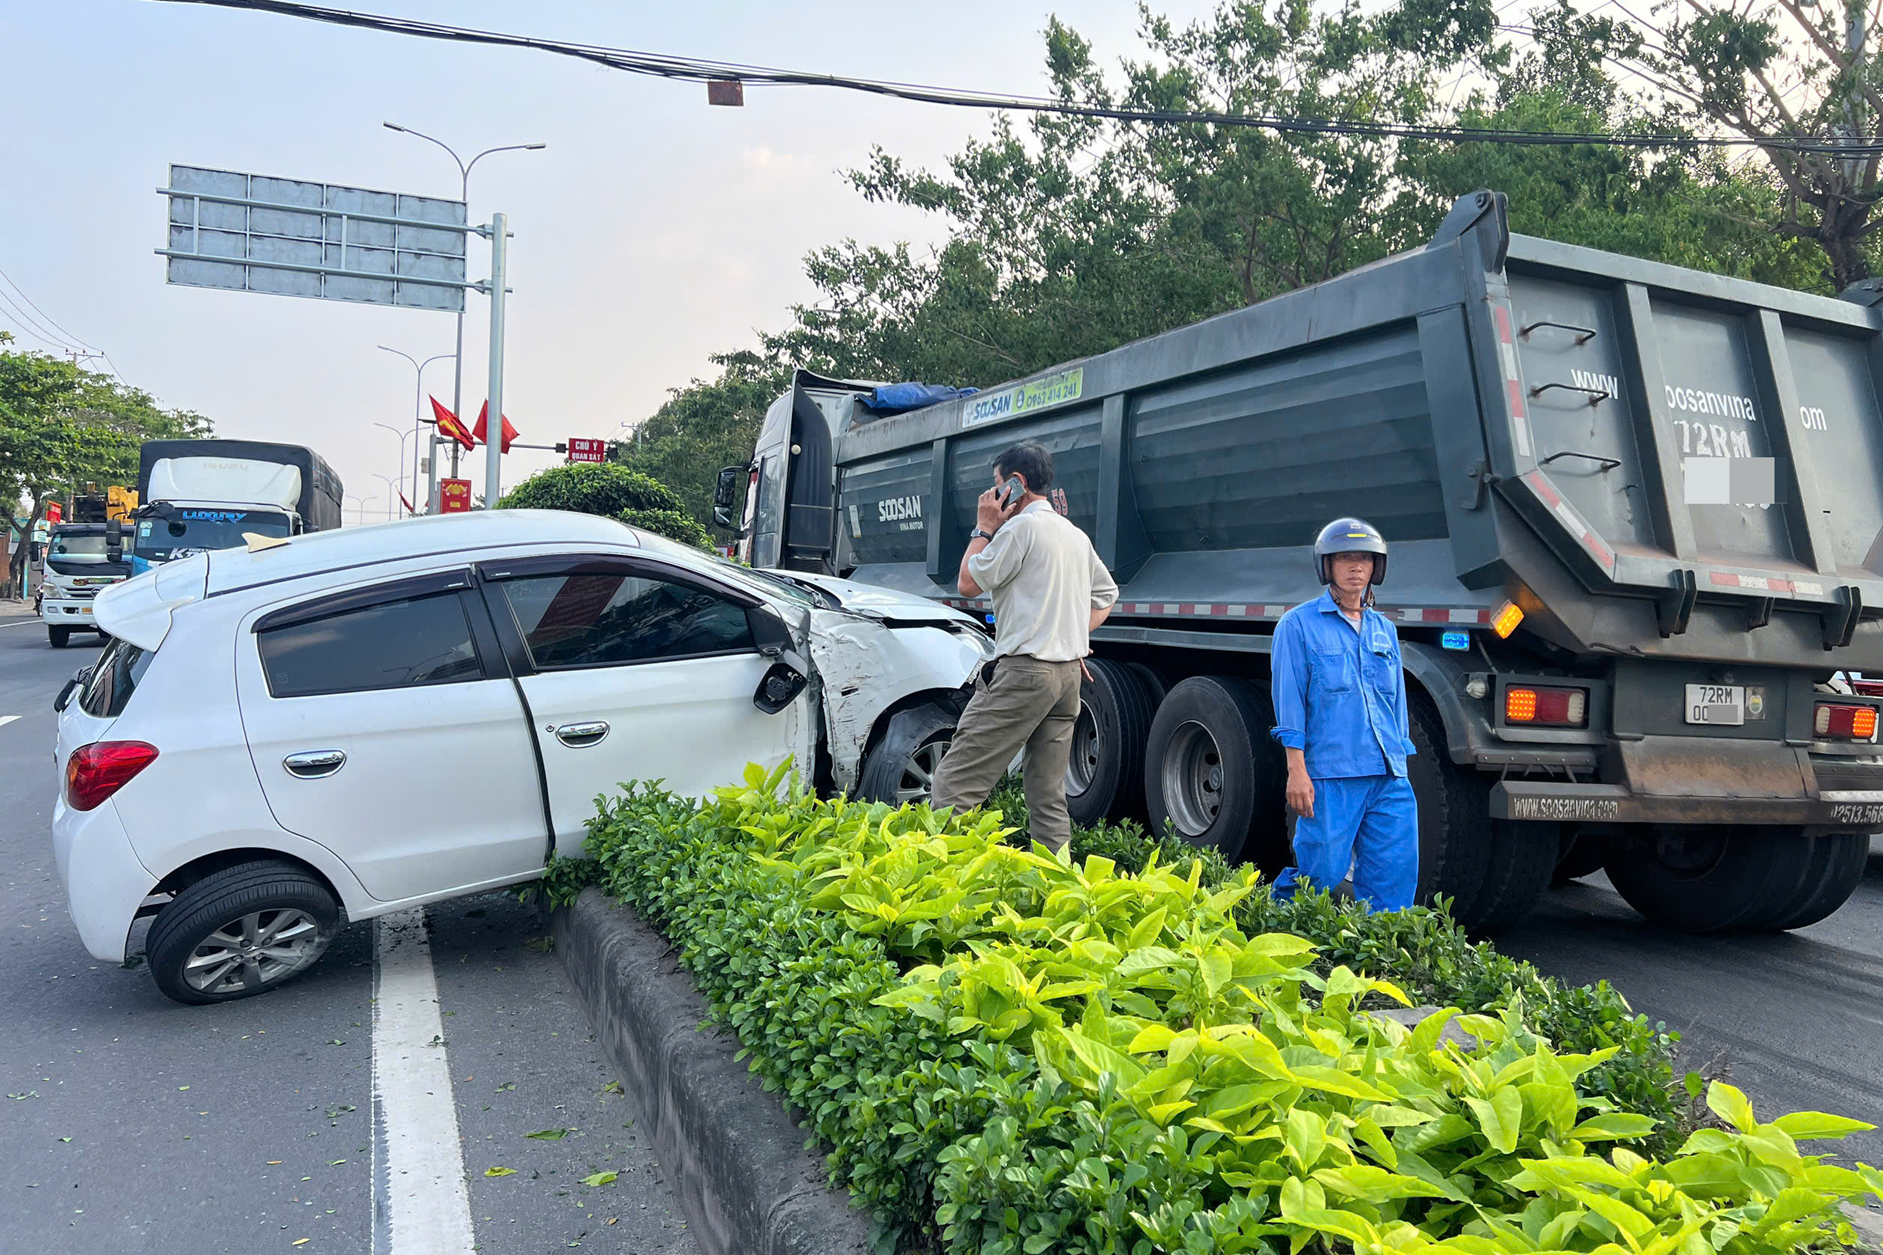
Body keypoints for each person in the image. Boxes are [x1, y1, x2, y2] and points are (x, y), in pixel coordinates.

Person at [928, 441, 1119, 853]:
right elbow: (1106, 595)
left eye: (996, 487)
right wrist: (1074, 639)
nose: (993, 497)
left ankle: (944, 889)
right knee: (1047, 797)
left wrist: (983, 528)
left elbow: (967, 582)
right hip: (1067, 678)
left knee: (954, 783)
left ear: (1016, 484)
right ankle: (1057, 892)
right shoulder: (1075, 536)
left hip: (1024, 672)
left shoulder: (1019, 529)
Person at [1268, 517, 1419, 909]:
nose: (1356, 567)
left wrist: (1401, 765)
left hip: (1389, 776)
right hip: (1332, 774)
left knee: (1394, 877)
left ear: (1376, 567)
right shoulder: (1297, 625)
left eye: (1365, 559)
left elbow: (1396, 703)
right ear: (1327, 566)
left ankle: (1381, 958)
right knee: (1319, 875)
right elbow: (1289, 701)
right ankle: (1271, 930)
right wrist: (1296, 770)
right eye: (1346, 558)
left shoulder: (1385, 630)